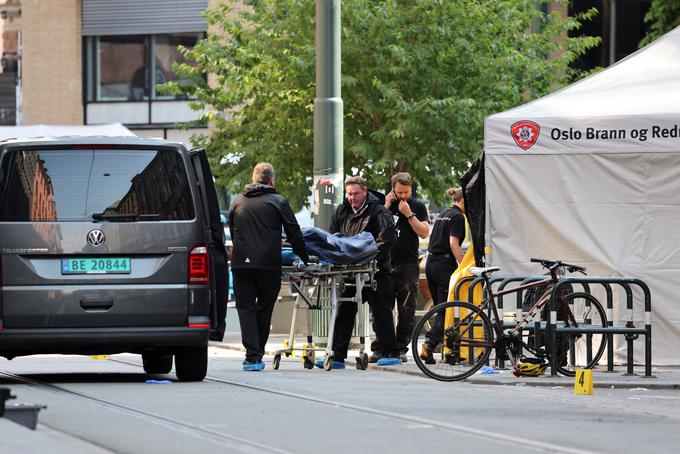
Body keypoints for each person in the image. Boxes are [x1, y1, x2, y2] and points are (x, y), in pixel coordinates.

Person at [229, 163, 309, 371]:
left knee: (245, 308)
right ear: (272, 180)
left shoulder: (238, 202)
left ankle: (252, 356)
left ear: (254, 179)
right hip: (268, 264)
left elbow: (233, 230)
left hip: (241, 264)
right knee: (264, 308)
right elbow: (294, 233)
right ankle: (256, 354)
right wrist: (305, 257)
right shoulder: (278, 202)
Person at [319, 175, 401, 368]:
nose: (352, 197)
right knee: (344, 311)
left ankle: (391, 352)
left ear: (365, 192)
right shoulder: (341, 211)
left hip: (376, 271)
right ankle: (337, 357)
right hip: (350, 271)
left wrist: (367, 259)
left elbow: (386, 240)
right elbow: (333, 239)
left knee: (381, 312)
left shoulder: (379, 211)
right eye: (349, 194)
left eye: (356, 193)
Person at [370, 172, 429, 363]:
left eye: (406, 192)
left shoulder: (417, 206)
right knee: (382, 307)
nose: (403, 196)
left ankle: (401, 347)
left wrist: (408, 214)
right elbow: (372, 229)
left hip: (408, 263)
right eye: (399, 192)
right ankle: (381, 346)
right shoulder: (383, 206)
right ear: (393, 188)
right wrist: (386, 207)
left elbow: (424, 232)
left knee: (406, 308)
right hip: (385, 262)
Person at [420, 187, 466, 364]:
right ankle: (429, 345)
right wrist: (463, 265)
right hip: (444, 265)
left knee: (440, 307)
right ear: (464, 201)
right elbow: (453, 244)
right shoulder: (458, 217)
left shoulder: (443, 214)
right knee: (445, 309)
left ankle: (447, 350)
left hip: (430, 263)